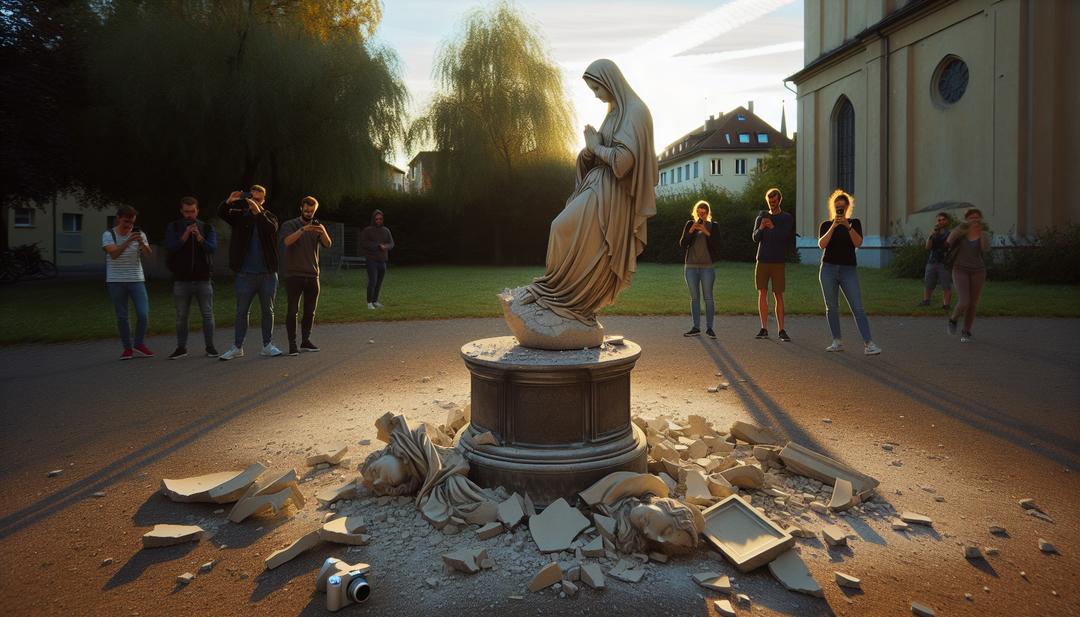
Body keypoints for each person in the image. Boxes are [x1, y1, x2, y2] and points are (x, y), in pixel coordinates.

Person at [520, 58, 657, 328]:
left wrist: (595, 148)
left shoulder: (636, 111)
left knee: (563, 229)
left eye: (596, 88)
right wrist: (586, 153)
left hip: (612, 195)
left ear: (609, 81)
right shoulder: (615, 111)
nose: (596, 96)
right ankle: (557, 291)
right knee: (561, 229)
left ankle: (562, 296)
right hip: (596, 185)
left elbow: (622, 162)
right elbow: (601, 154)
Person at [216, 184, 282, 360]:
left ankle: (267, 345)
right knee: (241, 311)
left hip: (267, 274)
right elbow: (222, 213)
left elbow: (270, 230)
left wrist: (257, 211)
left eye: (258, 199)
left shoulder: (269, 217)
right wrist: (228, 202)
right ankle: (237, 347)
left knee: (268, 310)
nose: (254, 202)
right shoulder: (240, 216)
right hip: (245, 274)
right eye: (252, 198)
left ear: (264, 201)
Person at [817, 190, 881, 355]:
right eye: (837, 208)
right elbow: (821, 244)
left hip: (848, 270)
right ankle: (837, 341)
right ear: (833, 208)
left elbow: (858, 242)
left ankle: (869, 343)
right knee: (831, 307)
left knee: (857, 307)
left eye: (842, 208)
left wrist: (847, 225)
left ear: (847, 208)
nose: (839, 211)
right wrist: (834, 225)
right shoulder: (826, 224)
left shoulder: (855, 223)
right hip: (828, 269)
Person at [164, 196, 217, 359]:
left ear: (197, 211)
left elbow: (212, 248)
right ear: (181, 211)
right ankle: (181, 348)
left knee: (207, 314)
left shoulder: (207, 228)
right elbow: (171, 247)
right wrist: (186, 234)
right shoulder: (174, 227)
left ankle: (210, 347)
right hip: (181, 279)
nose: (189, 215)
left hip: (203, 279)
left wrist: (200, 238)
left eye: (192, 211)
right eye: (186, 212)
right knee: (181, 316)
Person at [280, 195, 331, 355]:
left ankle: (305, 341)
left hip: (313, 275)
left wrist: (322, 230)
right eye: (306, 209)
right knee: (292, 310)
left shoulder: (317, 226)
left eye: (312, 210)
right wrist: (303, 230)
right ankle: (292, 344)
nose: (309, 212)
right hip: (294, 274)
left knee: (310, 311)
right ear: (301, 208)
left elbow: (328, 244)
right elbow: (286, 242)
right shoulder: (290, 224)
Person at [102, 205, 154, 359]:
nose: (129, 225)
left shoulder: (139, 233)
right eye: (126, 221)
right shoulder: (108, 234)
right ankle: (127, 348)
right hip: (115, 280)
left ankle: (138, 344)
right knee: (122, 316)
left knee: (143, 314)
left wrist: (141, 243)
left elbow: (148, 254)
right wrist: (128, 241)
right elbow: (114, 254)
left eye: (131, 221)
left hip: (136, 279)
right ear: (118, 218)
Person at [752, 188, 794, 341]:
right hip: (762, 260)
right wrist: (762, 227)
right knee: (762, 293)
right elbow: (755, 238)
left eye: (774, 201)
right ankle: (763, 328)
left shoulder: (786, 218)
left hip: (778, 261)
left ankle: (781, 330)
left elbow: (784, 238)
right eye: (769, 201)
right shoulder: (761, 217)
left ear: (779, 200)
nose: (772, 203)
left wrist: (772, 227)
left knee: (778, 294)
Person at [946, 208, 991, 342]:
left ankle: (966, 331)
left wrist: (980, 234)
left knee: (972, 303)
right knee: (964, 301)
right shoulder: (961, 231)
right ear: (967, 219)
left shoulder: (983, 234)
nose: (975, 219)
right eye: (972, 217)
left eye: (977, 217)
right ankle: (953, 320)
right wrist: (961, 230)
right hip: (960, 269)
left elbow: (985, 249)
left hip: (978, 271)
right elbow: (949, 241)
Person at [678, 200, 720, 338]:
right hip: (690, 267)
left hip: (707, 267)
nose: (701, 216)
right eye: (699, 213)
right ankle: (696, 327)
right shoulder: (690, 224)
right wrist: (691, 231)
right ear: (696, 212)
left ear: (708, 213)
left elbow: (717, 245)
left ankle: (710, 328)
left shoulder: (713, 226)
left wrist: (706, 231)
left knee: (708, 298)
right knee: (694, 298)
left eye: (704, 213)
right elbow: (683, 243)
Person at [360, 209, 393, 309]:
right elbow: (364, 243)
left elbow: (391, 243)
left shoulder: (386, 230)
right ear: (373, 219)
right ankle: (369, 302)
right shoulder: (368, 230)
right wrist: (377, 246)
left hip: (382, 260)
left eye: (380, 219)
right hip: (371, 260)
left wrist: (385, 247)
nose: (378, 220)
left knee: (379, 282)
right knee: (372, 281)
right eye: (376, 219)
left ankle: (375, 301)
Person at [919, 212, 953, 310]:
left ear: (947, 221)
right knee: (928, 282)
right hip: (932, 261)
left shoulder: (950, 234)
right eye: (939, 220)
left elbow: (948, 246)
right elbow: (927, 247)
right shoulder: (934, 233)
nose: (941, 222)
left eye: (943, 220)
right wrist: (932, 235)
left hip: (944, 262)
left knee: (945, 284)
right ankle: (926, 301)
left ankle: (946, 304)